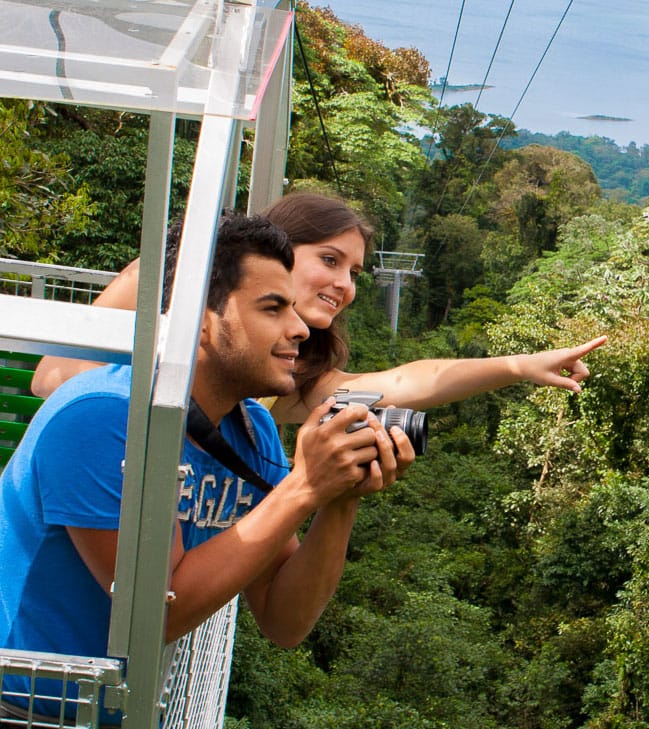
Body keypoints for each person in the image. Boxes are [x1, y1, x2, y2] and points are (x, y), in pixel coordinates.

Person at [0, 213, 414, 725]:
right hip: (28, 708)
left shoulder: (251, 429)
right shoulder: (103, 418)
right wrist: (303, 485)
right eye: (272, 308)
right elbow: (155, 613)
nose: (299, 328)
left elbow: (284, 620)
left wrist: (339, 497)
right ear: (199, 320)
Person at [31, 193, 607, 422]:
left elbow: (407, 380)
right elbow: (50, 378)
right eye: (330, 261)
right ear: (279, 246)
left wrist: (516, 367)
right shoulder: (164, 279)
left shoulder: (284, 366)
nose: (345, 285)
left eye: (353, 273)